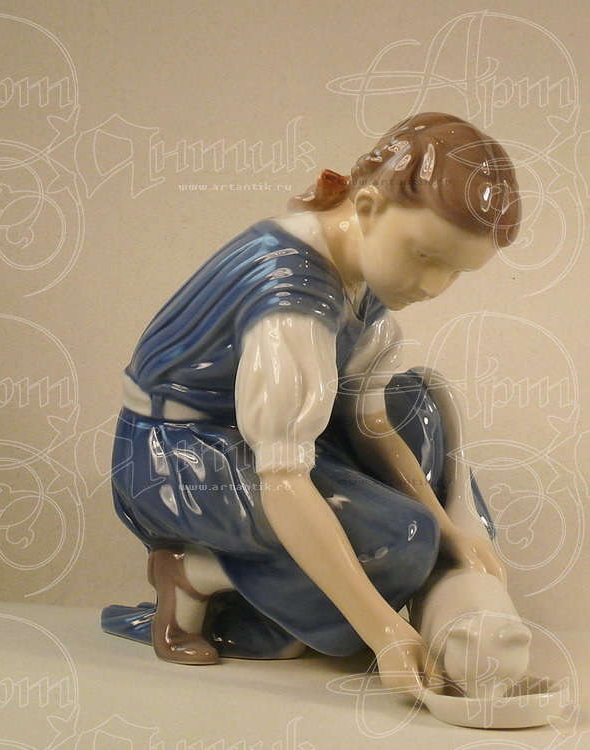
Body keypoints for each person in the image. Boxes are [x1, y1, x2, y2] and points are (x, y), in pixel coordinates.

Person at [107, 112, 522, 694]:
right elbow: (282, 476)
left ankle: (313, 589)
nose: (432, 287)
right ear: (369, 207)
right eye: (425, 256)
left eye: (455, 271)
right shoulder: (291, 297)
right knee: (400, 542)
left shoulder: (367, 273)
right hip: (176, 455)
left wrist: (450, 529)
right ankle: (199, 576)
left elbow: (370, 425)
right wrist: (383, 632)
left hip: (252, 435)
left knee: (420, 409)